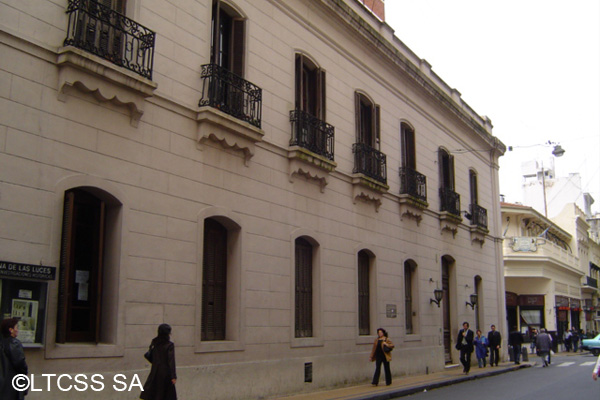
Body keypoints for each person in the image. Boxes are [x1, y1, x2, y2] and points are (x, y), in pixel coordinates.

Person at [141, 323, 177, 400]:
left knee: (153, 393)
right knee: (166, 395)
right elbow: (171, 361)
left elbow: (151, 356)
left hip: (155, 371)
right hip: (165, 373)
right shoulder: (169, 345)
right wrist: (173, 376)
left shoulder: (154, 342)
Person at [1, 318, 28, 400]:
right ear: (11, 330)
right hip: (12, 383)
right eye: (16, 327)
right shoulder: (14, 344)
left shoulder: (2, 342)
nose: (18, 330)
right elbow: (20, 364)